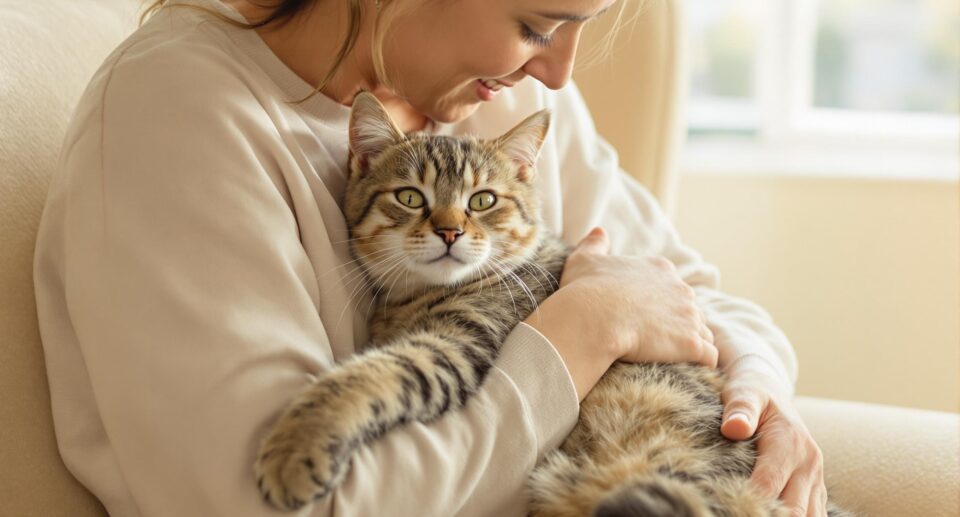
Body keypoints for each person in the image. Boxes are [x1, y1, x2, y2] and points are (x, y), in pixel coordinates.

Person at [32, 0, 829, 515]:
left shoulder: (509, 97)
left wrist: (759, 401)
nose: (557, 71)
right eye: (535, 25)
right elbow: (285, 501)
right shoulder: (179, 114)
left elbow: (697, 295)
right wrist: (577, 339)